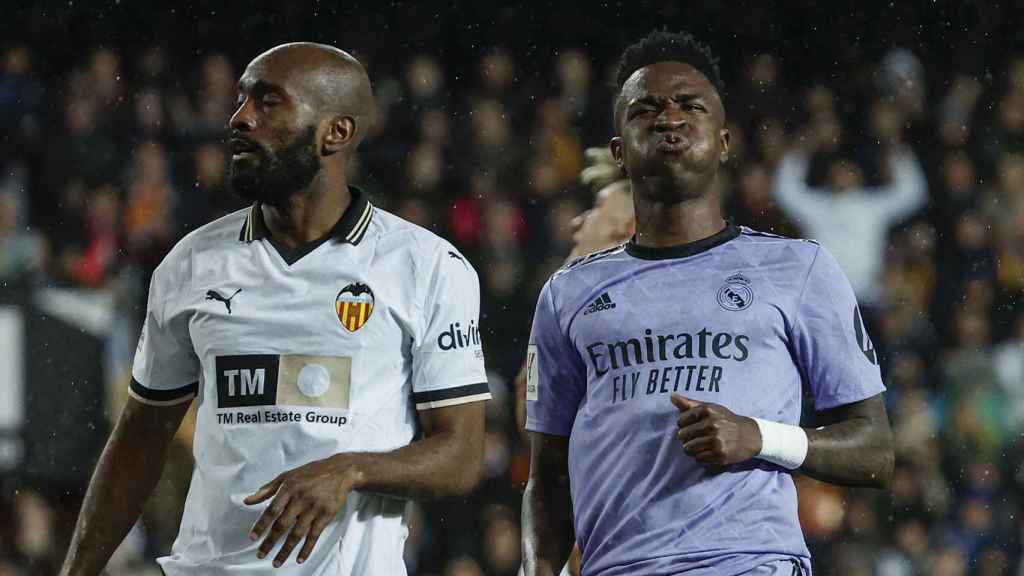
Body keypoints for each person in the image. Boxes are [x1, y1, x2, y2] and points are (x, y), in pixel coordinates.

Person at [60, 42, 490, 576]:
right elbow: (139, 439)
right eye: (241, 101)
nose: (240, 119)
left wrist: (349, 471)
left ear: (337, 132)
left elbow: (462, 454)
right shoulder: (192, 263)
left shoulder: (426, 266)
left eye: (268, 103)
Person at [521, 30, 894, 576]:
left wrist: (759, 436)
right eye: (646, 109)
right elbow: (547, 477)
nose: (669, 118)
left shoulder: (798, 269)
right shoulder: (567, 294)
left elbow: (875, 450)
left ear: (723, 142)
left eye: (689, 106)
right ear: (620, 152)